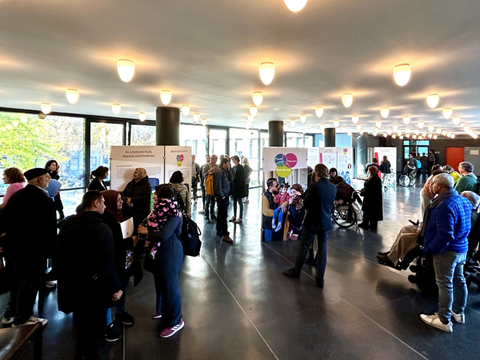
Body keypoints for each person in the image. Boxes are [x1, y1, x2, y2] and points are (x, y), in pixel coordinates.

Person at [57, 191, 123, 359]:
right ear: (95, 203)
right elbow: (107, 263)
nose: (104, 206)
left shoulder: (68, 224)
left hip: (72, 284)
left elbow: (60, 255)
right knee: (95, 328)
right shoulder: (102, 228)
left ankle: (80, 354)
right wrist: (115, 288)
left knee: (81, 325)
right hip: (94, 289)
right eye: (102, 203)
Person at [0, 168, 56, 326]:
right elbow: (42, 227)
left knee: (18, 282)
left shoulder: (19, 195)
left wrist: (5, 241)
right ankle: (22, 319)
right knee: (29, 285)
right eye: (47, 178)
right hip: (33, 251)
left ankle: (13, 313)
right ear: (40, 180)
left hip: (17, 249)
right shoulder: (39, 198)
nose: (48, 181)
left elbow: (5, 219)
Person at [420, 173, 472, 333]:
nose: (431, 186)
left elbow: (445, 234)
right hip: (462, 247)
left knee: (445, 284)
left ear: (440, 186)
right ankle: (458, 312)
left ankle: (444, 319)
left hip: (447, 251)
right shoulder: (463, 200)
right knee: (459, 280)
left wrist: (431, 249)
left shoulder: (444, 205)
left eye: (433, 183)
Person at [139, 184, 185, 338]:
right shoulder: (157, 211)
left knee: (170, 288)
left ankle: (176, 321)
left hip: (170, 253)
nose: (153, 196)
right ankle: (162, 310)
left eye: (156, 194)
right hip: (159, 253)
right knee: (160, 284)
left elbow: (164, 235)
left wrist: (147, 232)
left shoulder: (174, 212)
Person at [283, 164, 336, 288]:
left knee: (304, 245)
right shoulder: (333, 187)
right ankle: (320, 278)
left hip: (313, 222)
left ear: (317, 173)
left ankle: (296, 271)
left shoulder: (314, 186)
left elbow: (306, 203)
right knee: (322, 249)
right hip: (326, 222)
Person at [100, 190, 142, 341]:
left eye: (121, 199)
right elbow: (110, 242)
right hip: (113, 260)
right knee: (109, 289)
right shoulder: (104, 217)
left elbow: (136, 222)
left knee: (123, 285)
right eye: (117, 200)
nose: (121, 202)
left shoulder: (124, 210)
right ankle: (107, 323)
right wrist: (131, 242)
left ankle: (120, 312)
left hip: (128, 257)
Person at [214, 158, 233, 243]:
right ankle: (225, 234)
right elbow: (217, 185)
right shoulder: (219, 172)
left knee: (220, 213)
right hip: (222, 196)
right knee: (224, 214)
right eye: (228, 163)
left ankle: (219, 229)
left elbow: (231, 179)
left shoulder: (224, 171)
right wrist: (221, 195)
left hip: (225, 195)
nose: (229, 165)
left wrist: (229, 171)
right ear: (224, 163)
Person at [359, 165, 383, 230]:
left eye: (369, 171)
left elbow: (372, 189)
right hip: (369, 197)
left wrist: (364, 192)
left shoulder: (376, 179)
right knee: (367, 210)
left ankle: (372, 224)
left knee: (372, 212)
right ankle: (365, 222)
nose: (368, 172)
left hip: (373, 198)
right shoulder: (372, 177)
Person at [262, 178, 281, 242]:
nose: (278, 187)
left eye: (278, 185)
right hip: (268, 226)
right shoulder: (265, 196)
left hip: (278, 225)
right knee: (269, 247)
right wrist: (279, 213)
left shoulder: (279, 194)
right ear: (270, 187)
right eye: (276, 186)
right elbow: (266, 211)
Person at [202, 154, 219, 223]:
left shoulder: (217, 166)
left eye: (215, 159)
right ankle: (206, 215)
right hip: (208, 185)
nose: (213, 160)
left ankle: (212, 214)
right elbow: (203, 175)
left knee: (213, 201)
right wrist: (209, 171)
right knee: (207, 201)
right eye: (212, 158)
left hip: (214, 185)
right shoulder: (206, 166)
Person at [230, 155, 246, 224]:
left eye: (233, 159)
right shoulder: (233, 167)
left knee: (240, 202)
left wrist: (234, 178)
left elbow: (242, 177)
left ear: (236, 159)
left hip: (239, 188)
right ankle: (234, 215)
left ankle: (240, 217)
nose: (232, 161)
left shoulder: (241, 167)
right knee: (234, 202)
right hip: (234, 187)